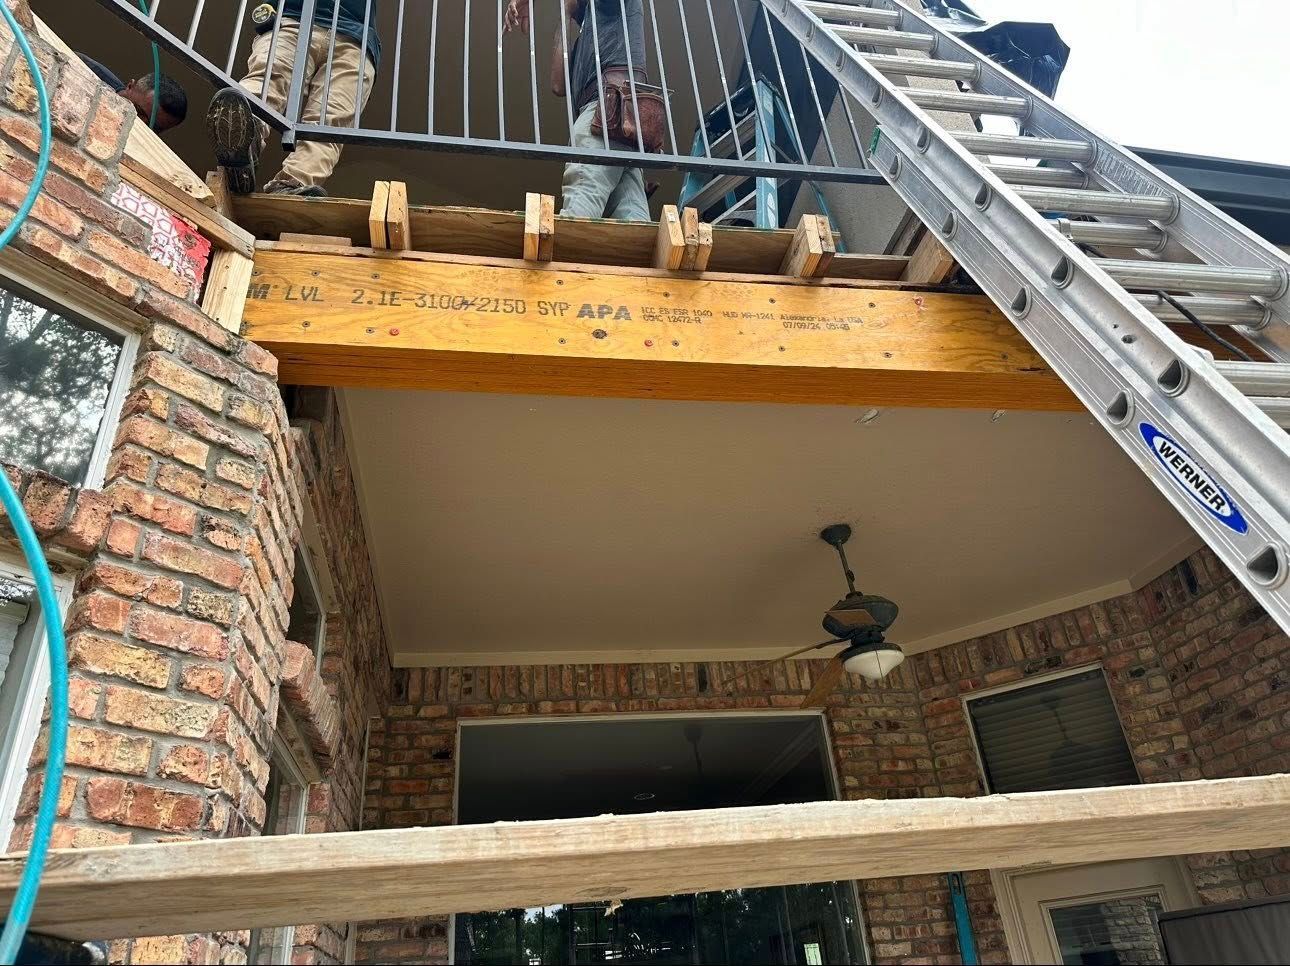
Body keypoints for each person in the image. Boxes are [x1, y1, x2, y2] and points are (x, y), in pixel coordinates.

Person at [207, 1, 381, 197]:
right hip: (294, 19)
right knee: (269, 79)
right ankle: (241, 135)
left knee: (330, 123)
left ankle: (292, 184)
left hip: (356, 40)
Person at [505, 0, 651, 221]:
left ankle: (566, 250)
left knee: (583, 191)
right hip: (620, 119)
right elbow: (558, 84)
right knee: (630, 211)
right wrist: (565, 12)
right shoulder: (589, 37)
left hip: (606, 109)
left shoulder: (615, 7)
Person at [77, 56, 188, 134]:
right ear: (130, 86)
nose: (139, 125)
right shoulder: (83, 69)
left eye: (153, 128)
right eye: (137, 111)